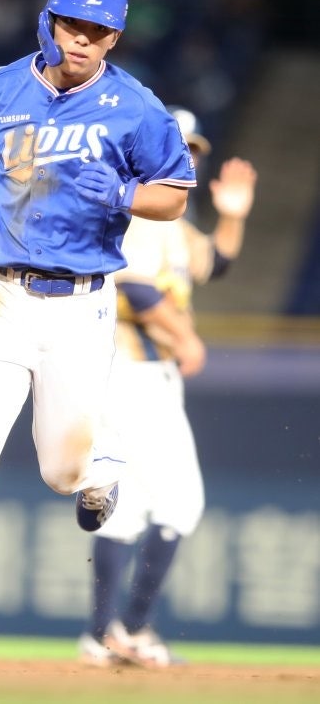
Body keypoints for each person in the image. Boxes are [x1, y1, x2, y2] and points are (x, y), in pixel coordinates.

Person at [0, 0, 197, 656]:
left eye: (98, 30)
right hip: (0, 297)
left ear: (114, 38)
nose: (82, 39)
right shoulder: (3, 86)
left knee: (61, 470)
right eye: (72, 24)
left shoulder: (136, 107)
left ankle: (99, 469)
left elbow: (176, 193)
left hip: (81, 307)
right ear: (48, 22)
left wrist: (124, 195)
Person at [77, 106, 258, 668]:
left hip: (143, 377)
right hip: (133, 372)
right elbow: (135, 289)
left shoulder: (175, 226)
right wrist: (184, 336)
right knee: (181, 501)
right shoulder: (139, 214)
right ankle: (130, 630)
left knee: (131, 507)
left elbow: (215, 263)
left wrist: (232, 217)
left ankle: (106, 635)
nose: (188, 158)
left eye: (193, 150)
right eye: (180, 147)